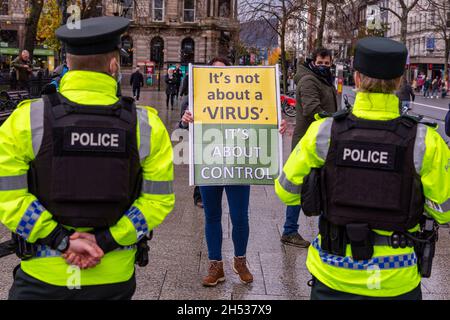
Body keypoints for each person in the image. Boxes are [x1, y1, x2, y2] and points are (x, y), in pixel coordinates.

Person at [0, 16, 175, 300]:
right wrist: (105, 241)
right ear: (114, 65)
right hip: (113, 276)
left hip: (42, 275)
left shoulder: (27, 119)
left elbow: (7, 196)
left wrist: (61, 240)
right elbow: (158, 201)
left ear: (67, 63)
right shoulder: (146, 126)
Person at [275, 36, 450, 300]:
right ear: (400, 82)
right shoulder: (426, 141)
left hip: (333, 275)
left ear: (356, 79)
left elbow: (286, 191)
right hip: (396, 280)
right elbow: (444, 212)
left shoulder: (323, 132)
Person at [181, 56, 288, 287]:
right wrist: (186, 119)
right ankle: (215, 265)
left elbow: (264, 117)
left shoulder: (246, 97)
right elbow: (184, 126)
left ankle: (240, 261)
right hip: (210, 163)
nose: (218, 76)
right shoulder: (196, 97)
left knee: (240, 217)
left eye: (223, 72)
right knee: (212, 216)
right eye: (213, 72)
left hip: (239, 164)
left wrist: (277, 124)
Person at [281, 47, 338, 248]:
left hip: (321, 140)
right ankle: (289, 230)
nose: (323, 66)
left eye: (327, 63)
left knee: (322, 184)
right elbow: (312, 109)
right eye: (320, 63)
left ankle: (326, 230)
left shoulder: (323, 79)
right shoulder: (308, 80)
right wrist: (337, 121)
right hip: (308, 142)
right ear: (312, 61)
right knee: (298, 187)